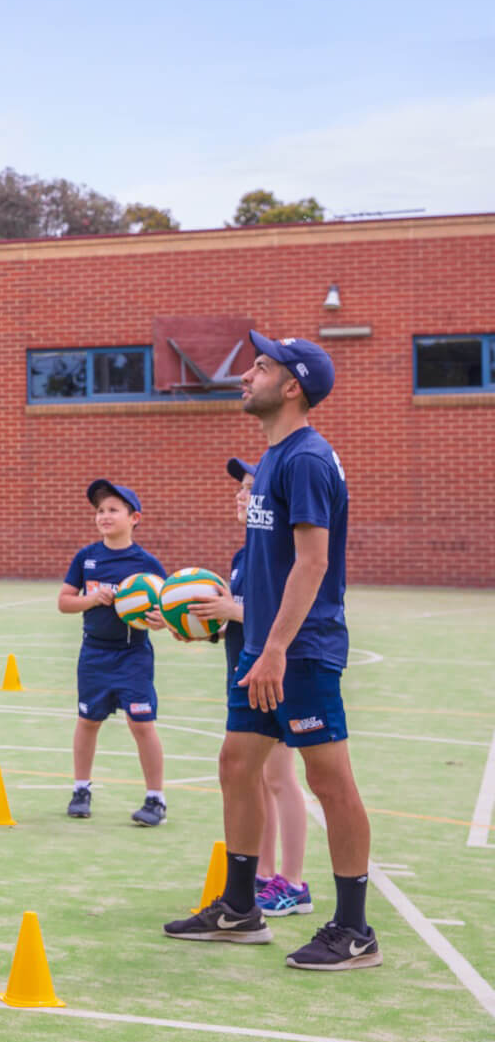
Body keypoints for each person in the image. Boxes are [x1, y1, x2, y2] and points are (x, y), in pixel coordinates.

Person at [164, 332, 375, 971]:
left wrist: (277, 646)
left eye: (259, 367)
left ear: (291, 386)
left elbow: (313, 563)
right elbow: (267, 566)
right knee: (237, 764)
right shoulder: (275, 457)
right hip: (260, 647)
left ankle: (354, 931)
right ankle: (239, 908)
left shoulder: (307, 459)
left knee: (328, 779)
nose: (245, 375)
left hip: (300, 649)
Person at [190, 458, 312, 918]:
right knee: (256, 779)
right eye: (240, 488)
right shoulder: (244, 556)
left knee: (280, 778)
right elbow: (242, 618)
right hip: (244, 676)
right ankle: (262, 874)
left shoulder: (281, 552)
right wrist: (200, 625)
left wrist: (231, 610)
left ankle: (294, 883)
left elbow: (286, 613)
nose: (240, 495)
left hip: (275, 677)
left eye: (248, 488)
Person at [55, 480, 170, 827]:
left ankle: (155, 798)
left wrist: (160, 621)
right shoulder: (86, 558)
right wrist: (91, 599)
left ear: (134, 518)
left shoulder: (146, 563)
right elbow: (64, 602)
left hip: (133, 655)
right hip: (94, 653)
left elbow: (167, 611)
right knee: (88, 720)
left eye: (113, 510)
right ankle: (81, 790)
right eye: (100, 510)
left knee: (142, 724)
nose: (104, 516)